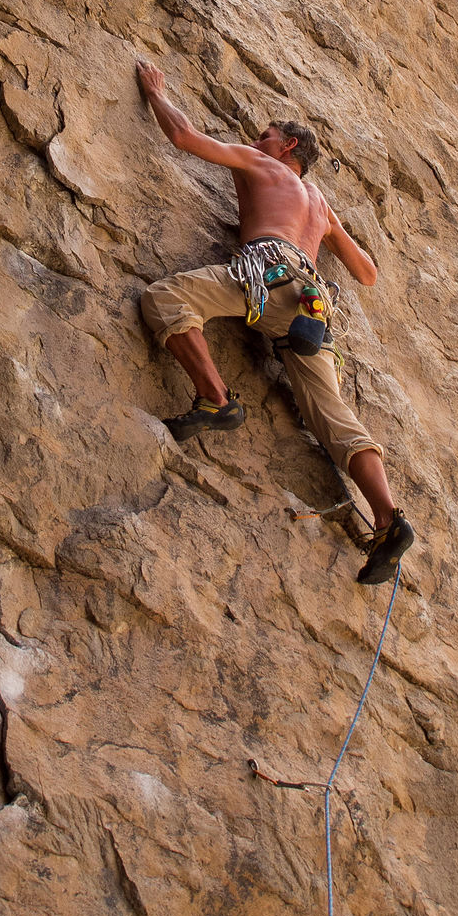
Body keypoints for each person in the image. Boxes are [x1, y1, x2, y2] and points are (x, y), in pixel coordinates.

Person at [136, 59, 414, 585]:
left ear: (288, 148)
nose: (255, 139)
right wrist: (323, 236)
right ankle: (388, 519)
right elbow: (368, 273)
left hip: (264, 272)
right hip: (312, 304)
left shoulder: (265, 166)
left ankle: (216, 400)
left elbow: (182, 135)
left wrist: (156, 92)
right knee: (336, 421)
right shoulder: (322, 206)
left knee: (165, 299)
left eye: (265, 135)